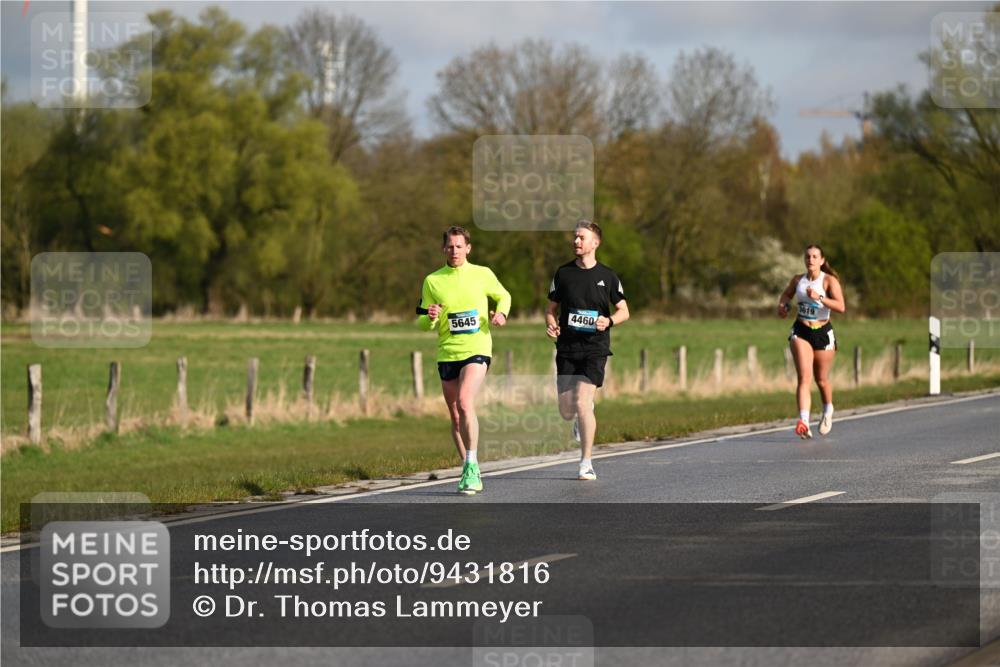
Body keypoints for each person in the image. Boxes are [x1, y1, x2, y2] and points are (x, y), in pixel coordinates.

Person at [417, 226, 511, 495]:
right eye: (450, 246)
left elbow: (503, 296)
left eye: (459, 246)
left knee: (465, 402)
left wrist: (501, 314)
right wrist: (431, 315)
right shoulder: (432, 281)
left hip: (477, 347)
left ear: (468, 248)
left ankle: (471, 465)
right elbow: (423, 323)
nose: (454, 251)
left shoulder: (482, 274)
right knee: (456, 416)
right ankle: (470, 466)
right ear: (443, 249)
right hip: (448, 352)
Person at [546, 220, 629, 480]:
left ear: (595, 243)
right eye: (574, 237)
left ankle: (586, 463)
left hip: (595, 348)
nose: (576, 242)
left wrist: (610, 321)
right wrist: (551, 325)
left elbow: (624, 310)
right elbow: (550, 310)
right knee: (566, 410)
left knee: (583, 403)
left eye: (581, 238)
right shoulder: (563, 274)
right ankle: (579, 418)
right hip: (567, 348)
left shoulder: (608, 276)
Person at [777, 245, 846, 438]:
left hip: (823, 332)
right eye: (808, 256)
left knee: (821, 380)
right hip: (801, 329)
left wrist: (820, 298)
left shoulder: (829, 281)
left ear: (822, 260)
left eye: (815, 256)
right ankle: (804, 422)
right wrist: (783, 306)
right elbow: (786, 295)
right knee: (804, 377)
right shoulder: (798, 280)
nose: (811, 260)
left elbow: (841, 306)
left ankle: (828, 410)